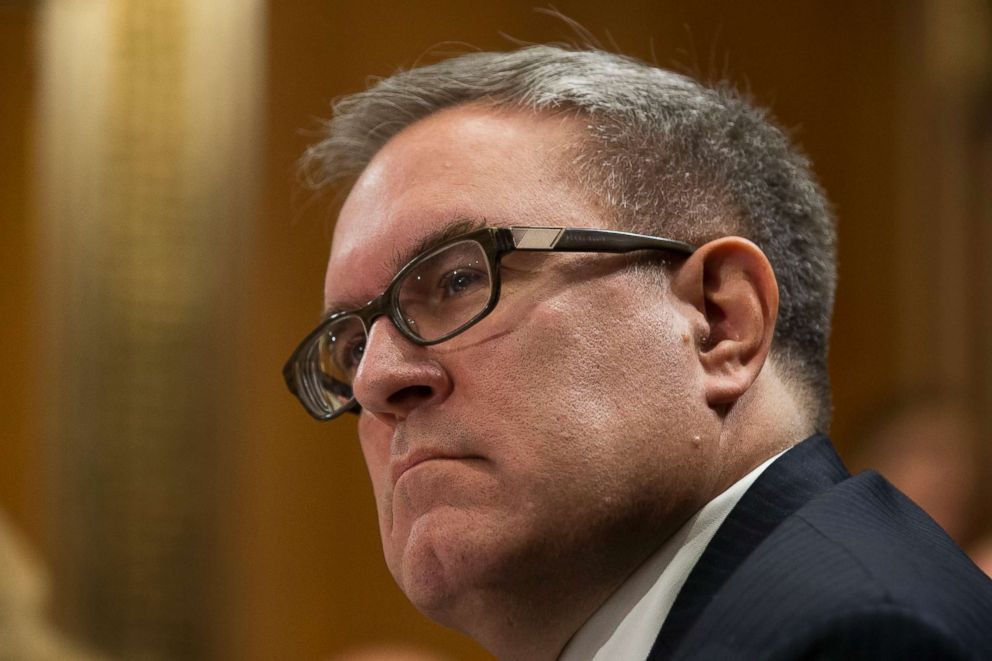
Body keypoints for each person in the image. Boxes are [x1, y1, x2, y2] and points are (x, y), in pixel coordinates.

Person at [283, 45, 992, 660]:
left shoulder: (852, 639)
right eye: (351, 341)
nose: (375, 380)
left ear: (719, 322)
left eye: (459, 279)